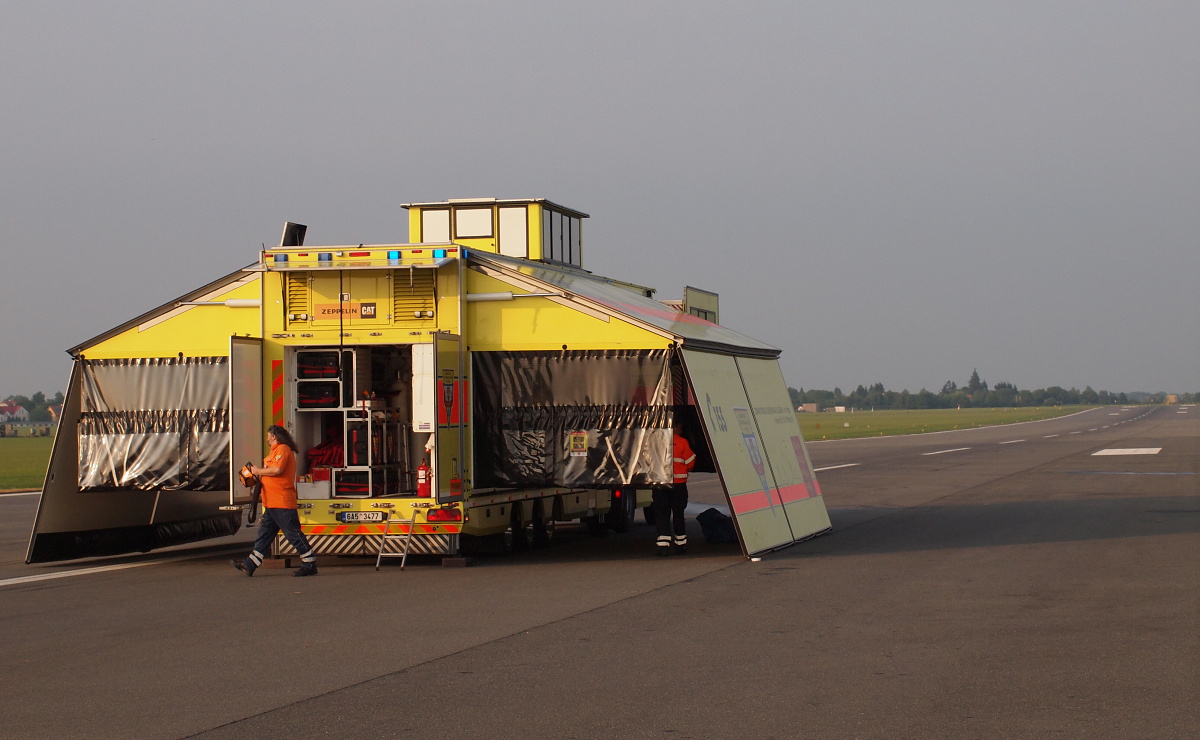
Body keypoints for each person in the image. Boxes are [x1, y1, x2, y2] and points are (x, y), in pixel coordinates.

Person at [233, 425, 318, 577]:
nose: (267, 438)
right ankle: (250, 564)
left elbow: (277, 470)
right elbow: (269, 472)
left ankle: (310, 563)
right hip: (272, 503)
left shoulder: (283, 449)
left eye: (268, 436)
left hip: (282, 502)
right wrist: (253, 475)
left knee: (293, 534)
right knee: (265, 535)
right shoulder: (274, 452)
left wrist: (258, 471)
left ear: (274, 436)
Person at [653, 428, 696, 556]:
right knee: (678, 513)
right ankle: (680, 544)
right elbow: (690, 463)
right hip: (678, 484)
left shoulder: (656, 441)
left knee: (662, 514)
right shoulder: (682, 442)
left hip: (661, 484)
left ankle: (663, 546)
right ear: (677, 427)